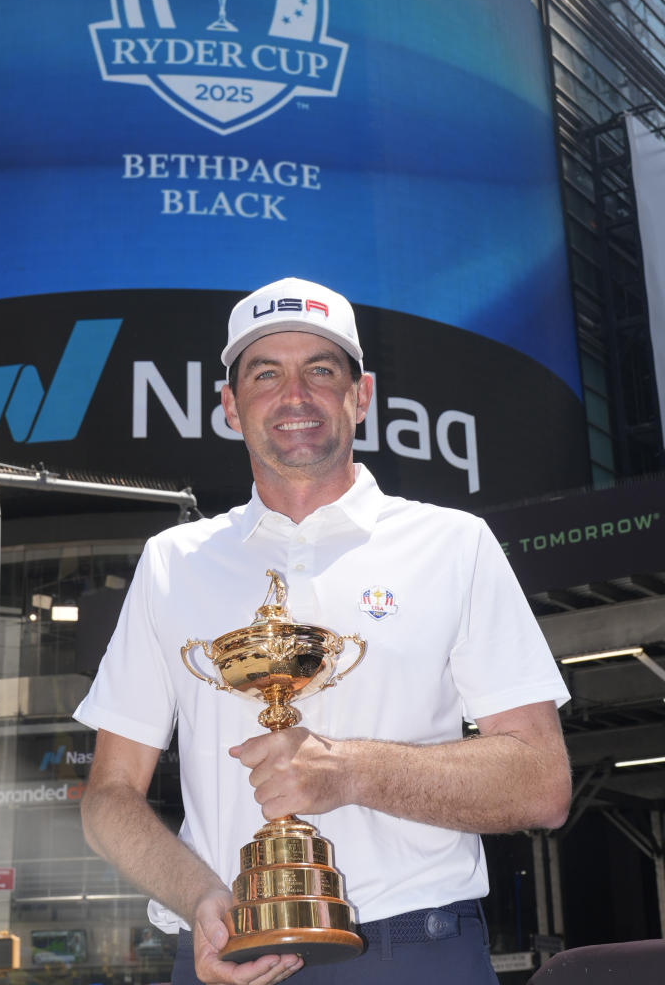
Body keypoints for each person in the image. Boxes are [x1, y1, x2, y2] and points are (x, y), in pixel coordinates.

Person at [75, 278, 571, 985]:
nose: (295, 395)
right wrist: (200, 900)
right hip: (225, 952)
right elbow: (108, 798)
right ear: (229, 405)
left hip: (412, 950)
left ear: (360, 395)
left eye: (320, 370)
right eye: (265, 373)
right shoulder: (173, 562)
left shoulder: (453, 544)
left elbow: (541, 782)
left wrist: (350, 770)